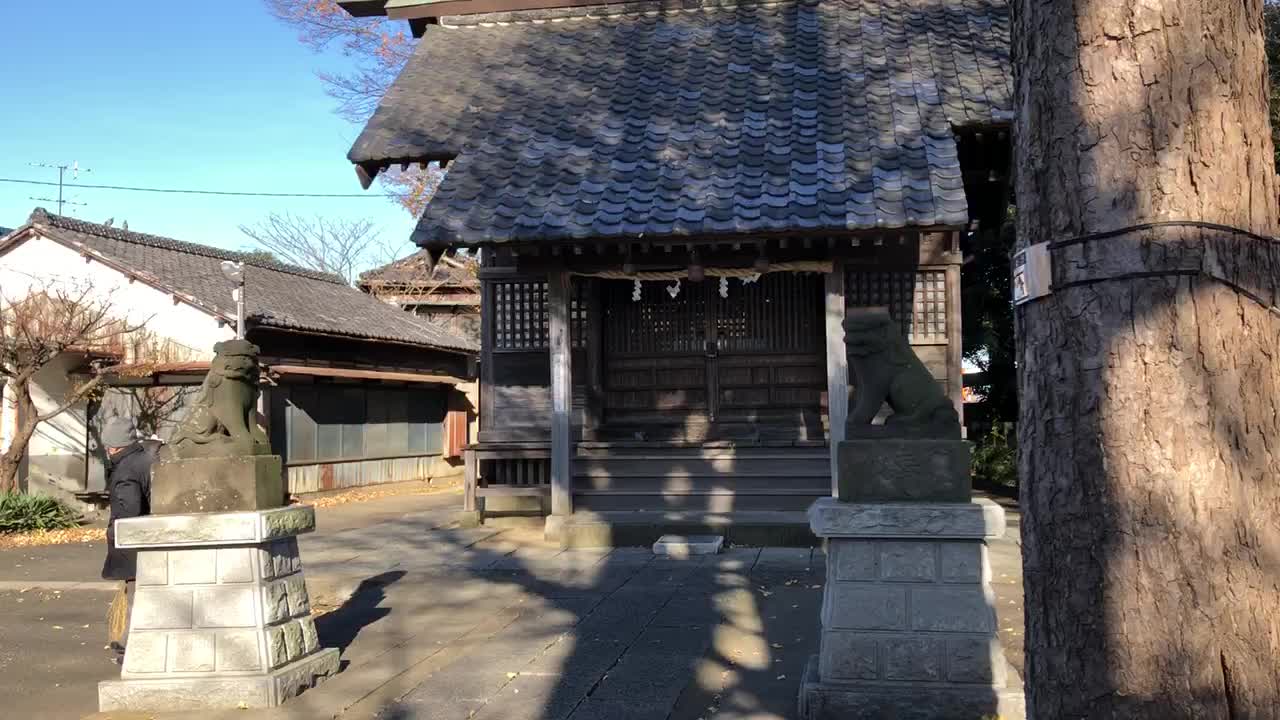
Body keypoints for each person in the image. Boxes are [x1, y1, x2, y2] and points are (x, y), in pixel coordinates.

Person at [99, 417, 155, 663]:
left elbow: (128, 511)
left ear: (113, 446)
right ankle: (130, 644)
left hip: (134, 542)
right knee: (145, 594)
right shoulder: (147, 458)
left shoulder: (125, 470)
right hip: (152, 535)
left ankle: (134, 649)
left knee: (137, 596)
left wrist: (114, 534)